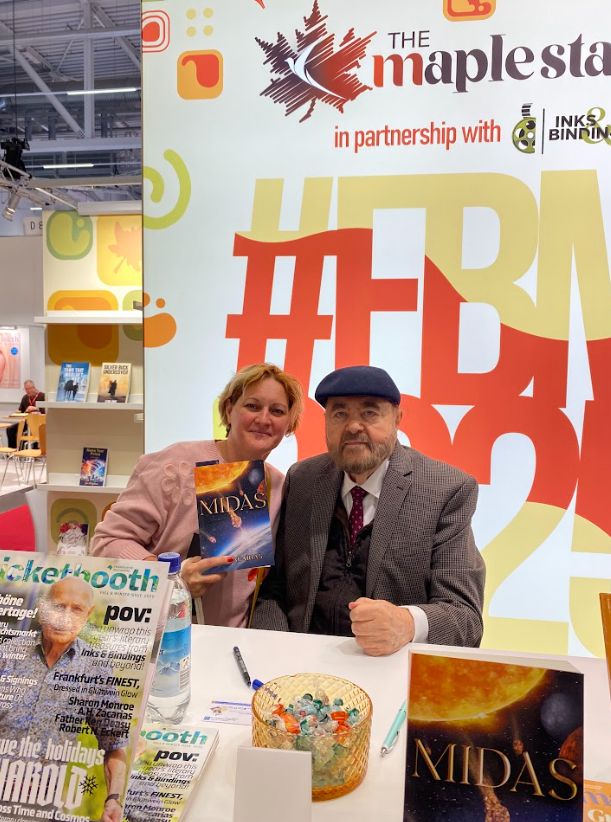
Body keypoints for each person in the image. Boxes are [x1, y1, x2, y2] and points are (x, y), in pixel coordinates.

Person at [252, 365, 486, 655]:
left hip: (388, 666)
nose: (353, 426)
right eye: (339, 414)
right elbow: (275, 588)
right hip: (302, 665)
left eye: (370, 412)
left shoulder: (445, 490)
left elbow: (465, 617)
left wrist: (407, 623)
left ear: (397, 419)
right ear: (325, 422)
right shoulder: (303, 480)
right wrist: (275, 650)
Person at [91, 363, 304, 627]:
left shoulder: (279, 487)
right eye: (252, 406)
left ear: (289, 423)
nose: (263, 419)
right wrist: (170, 581)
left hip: (234, 640)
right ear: (229, 409)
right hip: (160, 633)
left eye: (277, 411)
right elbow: (107, 542)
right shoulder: (173, 465)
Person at [0, 578, 128, 822]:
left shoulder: (95, 668)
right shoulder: (7, 654)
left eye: (76, 609)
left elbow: (115, 744)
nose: (65, 617)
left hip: (41, 805)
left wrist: (114, 799)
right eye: (58, 607)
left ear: (87, 615)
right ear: (42, 609)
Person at [6, 378, 45, 449]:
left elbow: (45, 411)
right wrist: (18, 411)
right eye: (26, 389)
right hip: (27, 422)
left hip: (38, 423)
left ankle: (32, 450)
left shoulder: (42, 396)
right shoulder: (25, 398)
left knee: (31, 433)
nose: (28, 391)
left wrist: (36, 408)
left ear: (34, 388)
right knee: (10, 429)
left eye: (29, 389)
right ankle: (14, 450)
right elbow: (21, 410)